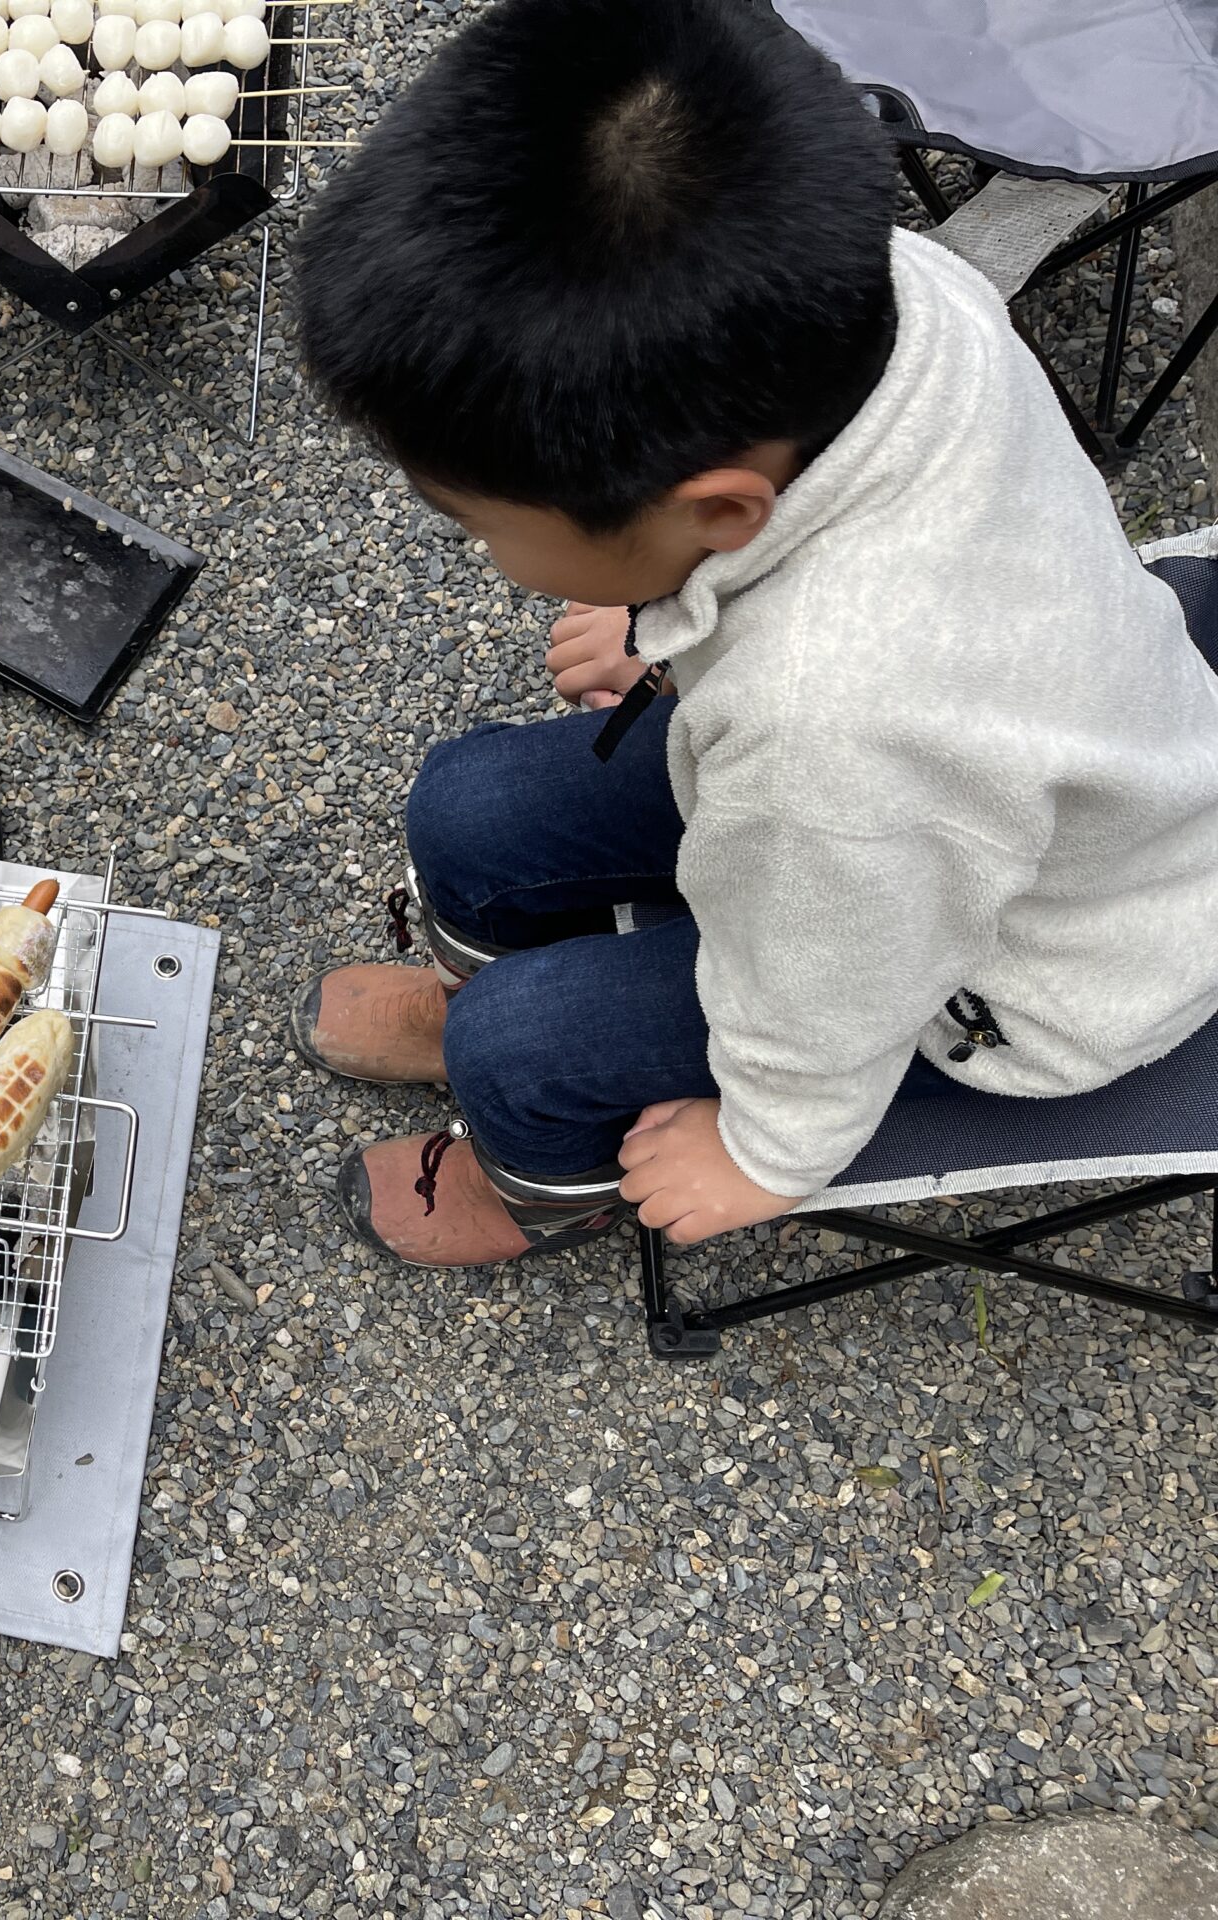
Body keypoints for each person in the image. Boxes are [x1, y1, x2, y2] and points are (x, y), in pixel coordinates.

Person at [287, 0, 1218, 1267]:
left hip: (1022, 962)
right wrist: (675, 606)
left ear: (716, 509)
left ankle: (535, 1186)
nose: (484, 551)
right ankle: (472, 1002)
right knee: (470, 806)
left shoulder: (830, 743)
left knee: (522, 1048)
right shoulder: (898, 296)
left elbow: (829, 990)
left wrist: (765, 1150)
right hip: (991, 779)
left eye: (483, 525)